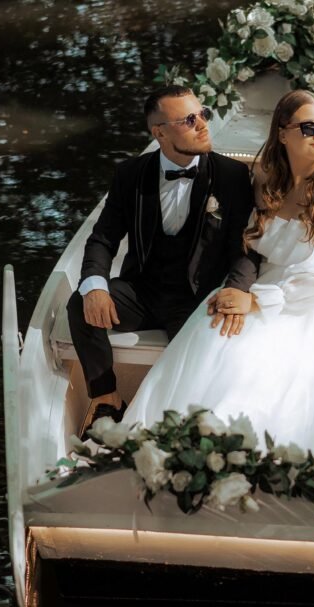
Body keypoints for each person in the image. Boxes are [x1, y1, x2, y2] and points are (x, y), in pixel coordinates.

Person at [121, 89, 314, 494]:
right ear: (282, 134)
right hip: (265, 285)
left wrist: (258, 300)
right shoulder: (264, 174)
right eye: (309, 127)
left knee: (280, 369)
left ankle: (256, 472)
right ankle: (189, 456)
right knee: (213, 331)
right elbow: (246, 244)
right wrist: (240, 290)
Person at [67, 85, 259, 439]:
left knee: (207, 362)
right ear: (159, 132)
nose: (203, 125)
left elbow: (246, 249)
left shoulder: (232, 177)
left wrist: (236, 289)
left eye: (203, 114)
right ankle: (107, 398)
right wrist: (95, 285)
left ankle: (184, 424)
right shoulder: (131, 174)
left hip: (199, 299)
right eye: (189, 120)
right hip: (143, 291)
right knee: (80, 303)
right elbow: (103, 239)